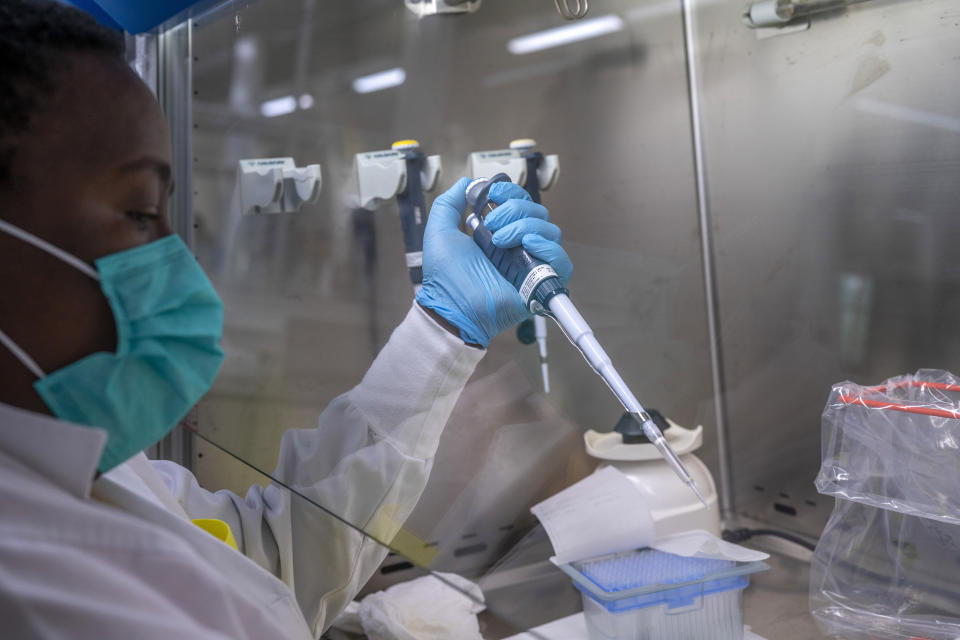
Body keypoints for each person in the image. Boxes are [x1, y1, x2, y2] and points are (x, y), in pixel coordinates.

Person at [0, 2, 573, 638]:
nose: (178, 255)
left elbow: (269, 566)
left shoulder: (90, 465)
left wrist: (444, 328)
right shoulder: (30, 588)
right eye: (139, 212)